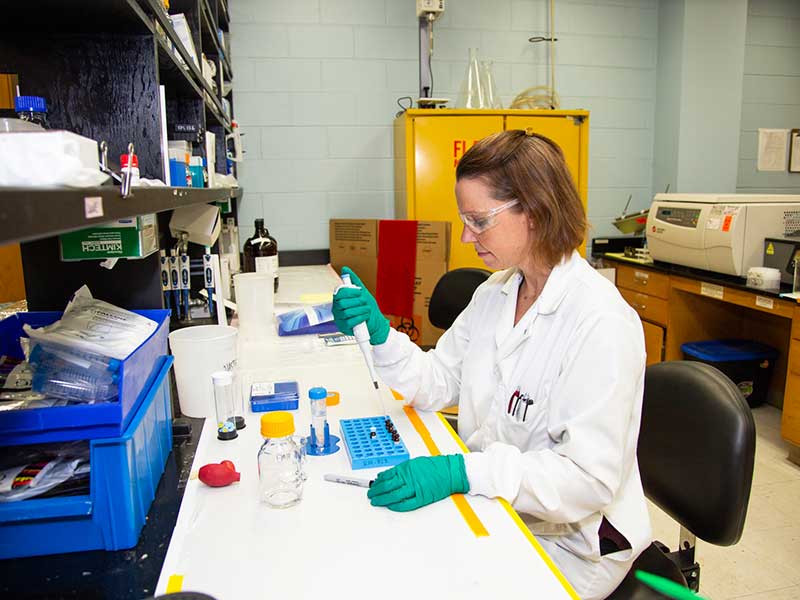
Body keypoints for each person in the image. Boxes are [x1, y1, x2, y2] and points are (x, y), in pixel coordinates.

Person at [332, 129, 651, 600]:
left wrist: (465, 473)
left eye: (478, 220)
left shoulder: (601, 322)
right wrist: (380, 334)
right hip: (497, 508)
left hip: (569, 544)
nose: (465, 236)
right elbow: (440, 380)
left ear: (537, 213)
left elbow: (587, 480)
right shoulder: (496, 293)